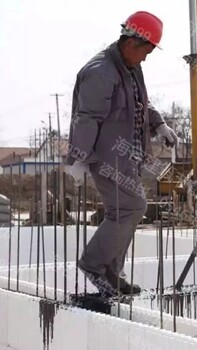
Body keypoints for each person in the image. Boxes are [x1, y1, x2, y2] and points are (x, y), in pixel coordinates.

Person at [67, 11, 178, 296]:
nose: (145, 59)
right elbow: (87, 117)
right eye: (146, 52)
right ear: (132, 42)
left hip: (128, 155)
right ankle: (94, 264)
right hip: (105, 157)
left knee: (123, 211)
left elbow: (140, 102)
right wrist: (79, 157)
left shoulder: (128, 67)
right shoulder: (101, 72)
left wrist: (159, 124)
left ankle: (111, 272)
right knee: (132, 208)